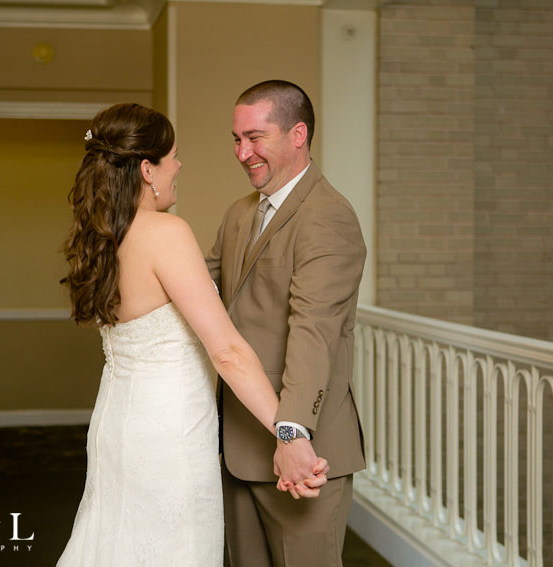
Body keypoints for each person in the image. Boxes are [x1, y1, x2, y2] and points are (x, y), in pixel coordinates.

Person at [56, 103, 327, 567]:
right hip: (170, 435)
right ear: (147, 169)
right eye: (173, 156)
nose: (180, 166)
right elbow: (227, 352)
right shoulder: (166, 232)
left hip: (117, 425)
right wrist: (288, 433)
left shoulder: (101, 236)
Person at [206, 80, 367, 567]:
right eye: (236, 139)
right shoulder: (239, 215)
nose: (242, 152)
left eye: (256, 137)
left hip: (302, 453)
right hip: (238, 444)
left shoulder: (329, 217)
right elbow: (202, 291)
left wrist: (292, 433)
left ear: (298, 135)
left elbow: (314, 330)